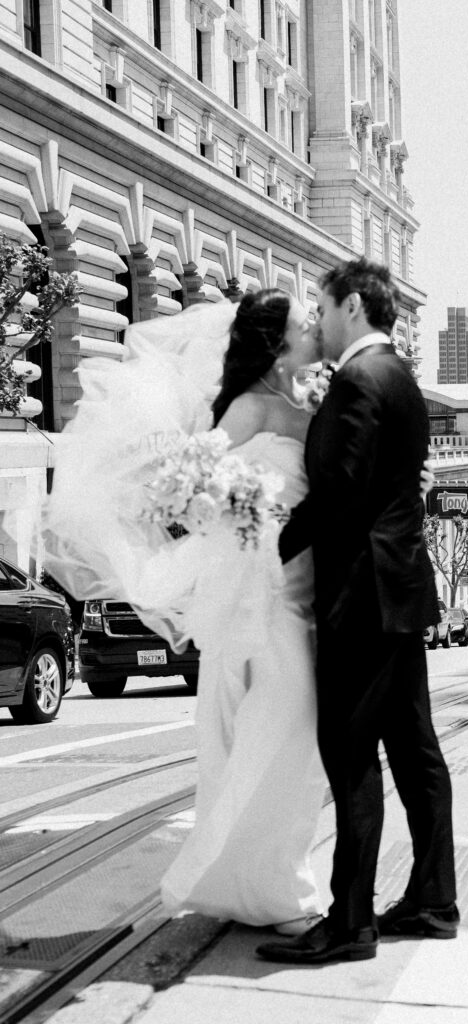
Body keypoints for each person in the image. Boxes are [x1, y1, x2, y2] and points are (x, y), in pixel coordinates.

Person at [43, 291, 328, 931]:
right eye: (302, 324)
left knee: (278, 734)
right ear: (277, 345)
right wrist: (232, 509)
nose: (313, 329)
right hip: (264, 596)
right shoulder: (255, 405)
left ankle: (249, 882)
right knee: (277, 730)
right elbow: (185, 478)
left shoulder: (298, 403)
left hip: (294, 595)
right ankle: (276, 890)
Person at [257, 258, 458, 966]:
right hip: (399, 589)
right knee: (414, 752)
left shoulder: (355, 382)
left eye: (321, 303)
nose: (316, 316)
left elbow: (340, 493)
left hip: (361, 598)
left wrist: (271, 546)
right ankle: (433, 901)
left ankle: (350, 923)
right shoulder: (397, 377)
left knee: (351, 757)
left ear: (350, 305)